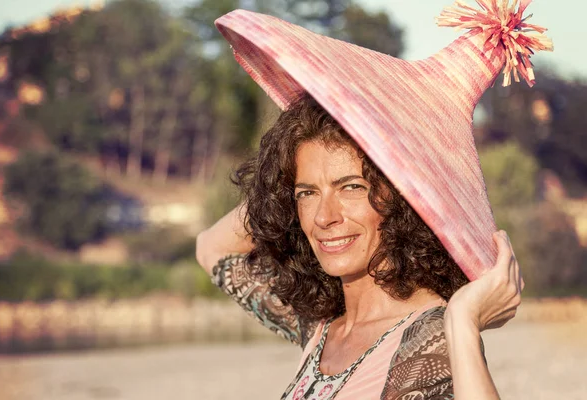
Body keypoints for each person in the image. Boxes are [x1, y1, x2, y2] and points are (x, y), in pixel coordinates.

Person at [196, 1, 552, 398]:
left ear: (403, 202)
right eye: (307, 193)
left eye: (351, 187)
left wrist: (463, 322)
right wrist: (278, 192)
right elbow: (212, 248)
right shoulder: (322, 325)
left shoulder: (429, 338)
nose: (323, 217)